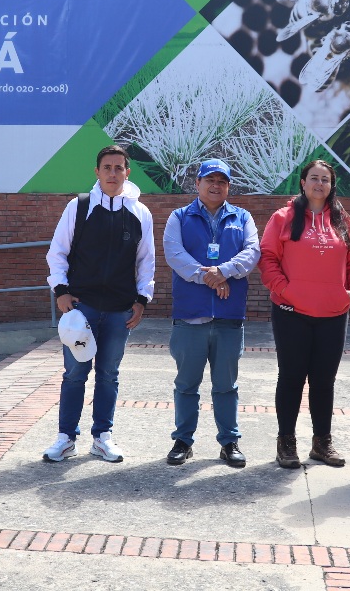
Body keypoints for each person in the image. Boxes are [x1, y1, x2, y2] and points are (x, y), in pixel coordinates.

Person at [43, 145, 156, 463]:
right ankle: (66, 437)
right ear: (97, 171)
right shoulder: (79, 207)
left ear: (127, 172)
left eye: (119, 168)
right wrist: (61, 291)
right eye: (107, 167)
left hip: (120, 309)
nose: (112, 173)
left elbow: (146, 260)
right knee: (75, 374)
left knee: (108, 374)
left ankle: (102, 437)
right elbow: (57, 252)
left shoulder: (140, 212)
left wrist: (141, 299)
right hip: (83, 308)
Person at [259, 159, 350, 468]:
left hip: (333, 313)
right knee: (291, 378)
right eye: (314, 178)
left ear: (331, 186)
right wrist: (284, 290)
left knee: (324, 380)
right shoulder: (283, 218)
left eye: (325, 179)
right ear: (303, 183)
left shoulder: (343, 220)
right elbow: (267, 258)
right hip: (291, 311)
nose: (320, 184)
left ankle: (322, 443)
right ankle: (286, 442)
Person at [163, 159, 260, 468]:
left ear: (228, 186)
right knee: (186, 384)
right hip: (190, 315)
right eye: (210, 180)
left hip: (230, 316)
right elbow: (174, 254)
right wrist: (209, 276)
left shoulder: (242, 218)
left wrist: (223, 271)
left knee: (226, 385)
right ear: (198, 184)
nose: (215, 185)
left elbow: (252, 253)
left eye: (222, 181)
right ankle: (183, 441)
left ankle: (229, 442)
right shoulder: (179, 217)